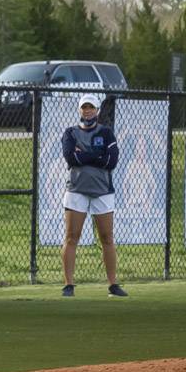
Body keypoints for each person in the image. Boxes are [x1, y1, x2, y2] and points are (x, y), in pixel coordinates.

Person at [60, 94, 125, 297]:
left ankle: (113, 285)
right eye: (84, 107)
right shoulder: (70, 133)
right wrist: (97, 156)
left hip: (102, 192)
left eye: (91, 107)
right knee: (72, 237)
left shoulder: (106, 133)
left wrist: (84, 155)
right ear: (79, 109)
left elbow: (111, 162)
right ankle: (69, 285)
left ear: (97, 110)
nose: (87, 111)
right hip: (76, 190)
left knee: (107, 237)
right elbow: (71, 156)